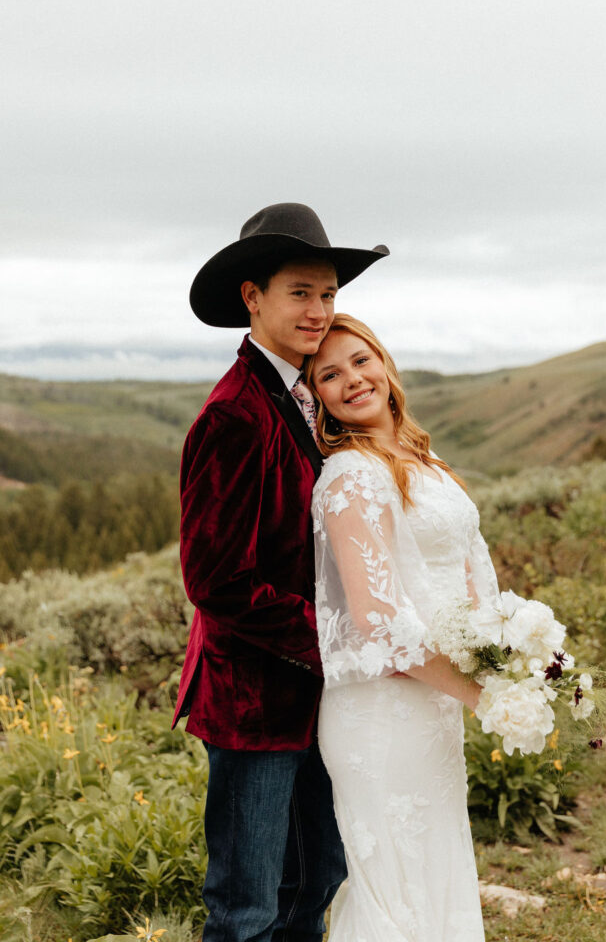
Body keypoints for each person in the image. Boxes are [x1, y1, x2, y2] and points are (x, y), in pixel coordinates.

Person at [172, 205, 389, 942]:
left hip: (318, 696)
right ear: (252, 297)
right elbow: (217, 580)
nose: (318, 311)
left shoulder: (304, 399)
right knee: (245, 910)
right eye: (300, 292)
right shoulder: (233, 416)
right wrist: (338, 644)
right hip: (255, 704)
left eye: (327, 295)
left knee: (313, 884)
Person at [304, 313, 495, 942]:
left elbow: (465, 568)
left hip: (432, 696)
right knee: (396, 884)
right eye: (329, 375)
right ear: (319, 398)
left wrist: (504, 660)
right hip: (383, 708)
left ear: (383, 361)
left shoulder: (423, 458)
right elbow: (379, 621)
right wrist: (482, 694)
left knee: (434, 870)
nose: (352, 380)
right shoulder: (351, 474)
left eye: (360, 360)